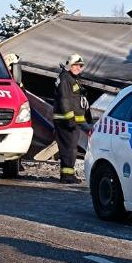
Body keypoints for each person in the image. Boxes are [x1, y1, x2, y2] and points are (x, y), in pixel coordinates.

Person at [53, 53, 92, 184]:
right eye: (75, 65)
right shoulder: (65, 79)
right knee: (69, 149)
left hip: (72, 122)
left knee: (70, 148)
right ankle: (67, 177)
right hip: (66, 122)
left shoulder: (71, 78)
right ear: (69, 65)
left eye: (80, 66)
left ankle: (67, 175)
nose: (78, 68)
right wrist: (69, 119)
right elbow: (64, 100)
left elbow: (74, 99)